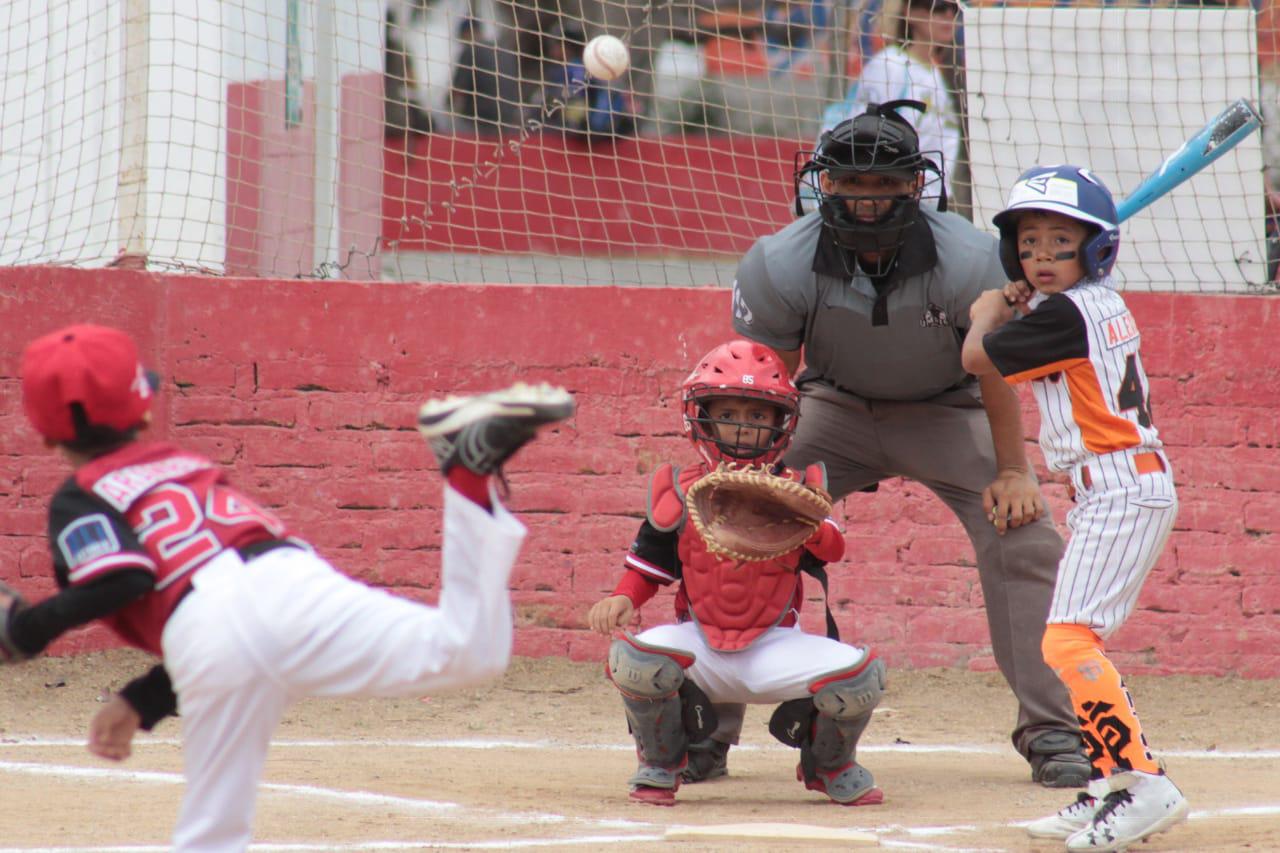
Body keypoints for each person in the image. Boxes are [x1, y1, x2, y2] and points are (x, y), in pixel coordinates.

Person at [0, 323, 574, 852]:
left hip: (208, 629)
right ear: (144, 414)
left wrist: (24, 631)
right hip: (290, 579)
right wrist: (143, 700)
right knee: (466, 651)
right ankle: (466, 475)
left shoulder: (83, 493)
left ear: (49, 441)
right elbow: (227, 599)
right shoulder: (181, 463)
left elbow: (130, 579)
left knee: (212, 834)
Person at [724, 101, 1090, 789]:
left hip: (948, 407)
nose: (868, 200)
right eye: (852, 184)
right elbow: (765, 387)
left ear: (915, 185)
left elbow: (999, 372)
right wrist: (754, 482)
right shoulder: (778, 260)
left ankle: (1054, 729)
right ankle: (705, 725)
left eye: (885, 184)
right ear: (823, 184)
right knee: (736, 517)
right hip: (829, 405)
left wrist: (1015, 470)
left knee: (1026, 535)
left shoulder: (973, 257)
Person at [962, 165, 1190, 851]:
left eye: (1061, 243)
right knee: (1068, 640)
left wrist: (990, 309)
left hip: (1120, 487)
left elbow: (976, 357)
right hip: (1117, 485)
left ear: (1095, 250)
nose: (1040, 257)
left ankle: (1144, 781)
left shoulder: (1063, 313)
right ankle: (1113, 777)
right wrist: (1027, 301)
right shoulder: (1089, 303)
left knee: (1066, 641)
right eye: (1029, 244)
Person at [586, 340, 886, 807]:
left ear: (779, 424)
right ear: (700, 415)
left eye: (758, 417)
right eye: (728, 414)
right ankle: (663, 763)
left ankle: (828, 766)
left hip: (773, 646)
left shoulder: (798, 489)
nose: (743, 429)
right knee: (634, 660)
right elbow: (649, 564)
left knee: (862, 676)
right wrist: (623, 597)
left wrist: (798, 517)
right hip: (699, 644)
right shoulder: (679, 490)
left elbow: (833, 548)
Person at [815, 0, 962, 207]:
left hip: (930, 203)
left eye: (954, 9)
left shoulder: (937, 75)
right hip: (890, 202)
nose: (948, 16)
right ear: (910, 12)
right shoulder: (890, 65)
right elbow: (848, 128)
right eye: (938, 8)